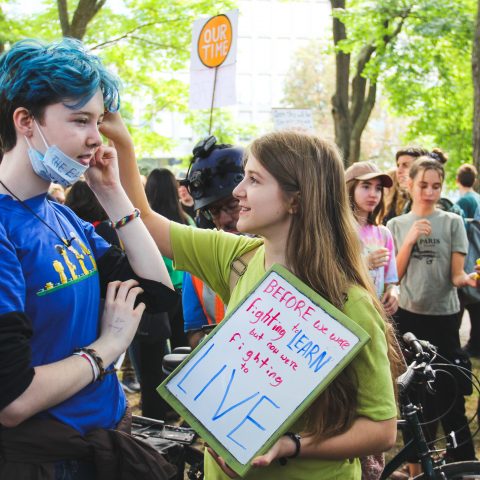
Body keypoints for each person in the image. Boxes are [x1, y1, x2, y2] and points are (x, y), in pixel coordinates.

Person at [117, 125, 401, 479]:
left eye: (253, 179)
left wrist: (289, 444)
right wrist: (120, 146)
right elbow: (145, 221)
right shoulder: (238, 256)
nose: (238, 192)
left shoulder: (351, 301)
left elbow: (382, 429)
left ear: (296, 198)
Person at [0, 38, 177, 479]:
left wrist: (112, 194)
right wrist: (108, 348)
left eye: (97, 121)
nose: (96, 137)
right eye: (80, 120)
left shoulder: (63, 217)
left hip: (106, 444)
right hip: (44, 461)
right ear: (25, 121)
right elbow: (13, 400)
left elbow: (156, 294)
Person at [387, 156, 478, 463]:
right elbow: (394, 276)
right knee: (416, 396)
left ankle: (461, 463)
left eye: (436, 186)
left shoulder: (453, 222)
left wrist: (470, 278)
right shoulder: (395, 225)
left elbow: (456, 276)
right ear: (408, 184)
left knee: (450, 390)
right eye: (423, 185)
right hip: (410, 317)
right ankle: (419, 464)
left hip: (445, 316)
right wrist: (410, 239)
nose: (429, 192)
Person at [180, 137, 245, 348]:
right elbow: (194, 332)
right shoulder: (197, 263)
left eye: (232, 205)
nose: (224, 219)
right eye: (214, 211)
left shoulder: (287, 250)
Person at [345, 161, 399, 316]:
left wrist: (394, 291)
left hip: (376, 316)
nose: (373, 194)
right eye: (366, 186)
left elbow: (390, 280)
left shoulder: (383, 234)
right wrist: (364, 263)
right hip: (346, 316)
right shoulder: (335, 231)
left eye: (378, 188)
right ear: (349, 187)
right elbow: (327, 276)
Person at [455, 164, 480, 357]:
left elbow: (460, 234)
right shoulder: (478, 198)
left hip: (467, 257)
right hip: (477, 256)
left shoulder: (463, 202)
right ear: (475, 181)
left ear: (457, 181)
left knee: (461, 304)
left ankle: (462, 346)